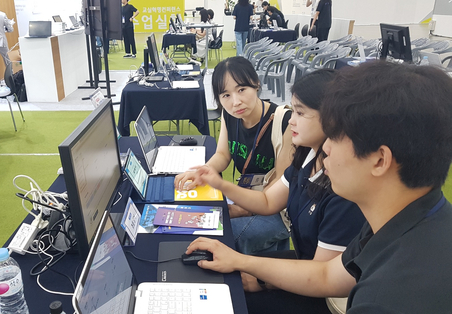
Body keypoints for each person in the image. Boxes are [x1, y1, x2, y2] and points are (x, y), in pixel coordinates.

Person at [186, 61, 452, 313]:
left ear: (380, 160)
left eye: (335, 137)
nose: (325, 148)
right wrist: (240, 260)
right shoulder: (400, 220)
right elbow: (328, 274)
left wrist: (254, 273)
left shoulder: (389, 298)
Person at [188, 69, 365, 313]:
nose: (291, 120)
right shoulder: (307, 157)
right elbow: (267, 201)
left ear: (333, 118)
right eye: (293, 111)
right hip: (306, 268)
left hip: (320, 294)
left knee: (228, 297)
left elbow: (323, 278)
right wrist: (217, 183)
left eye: (300, 113)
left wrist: (257, 275)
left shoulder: (343, 188)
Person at [175, 56, 293, 256]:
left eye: (241, 90)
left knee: (224, 235)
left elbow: (279, 190)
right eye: (225, 95)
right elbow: (223, 154)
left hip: (278, 210)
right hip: (247, 195)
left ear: (256, 84)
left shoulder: (284, 122)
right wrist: (204, 171)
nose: (235, 102)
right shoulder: (230, 114)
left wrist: (243, 210)